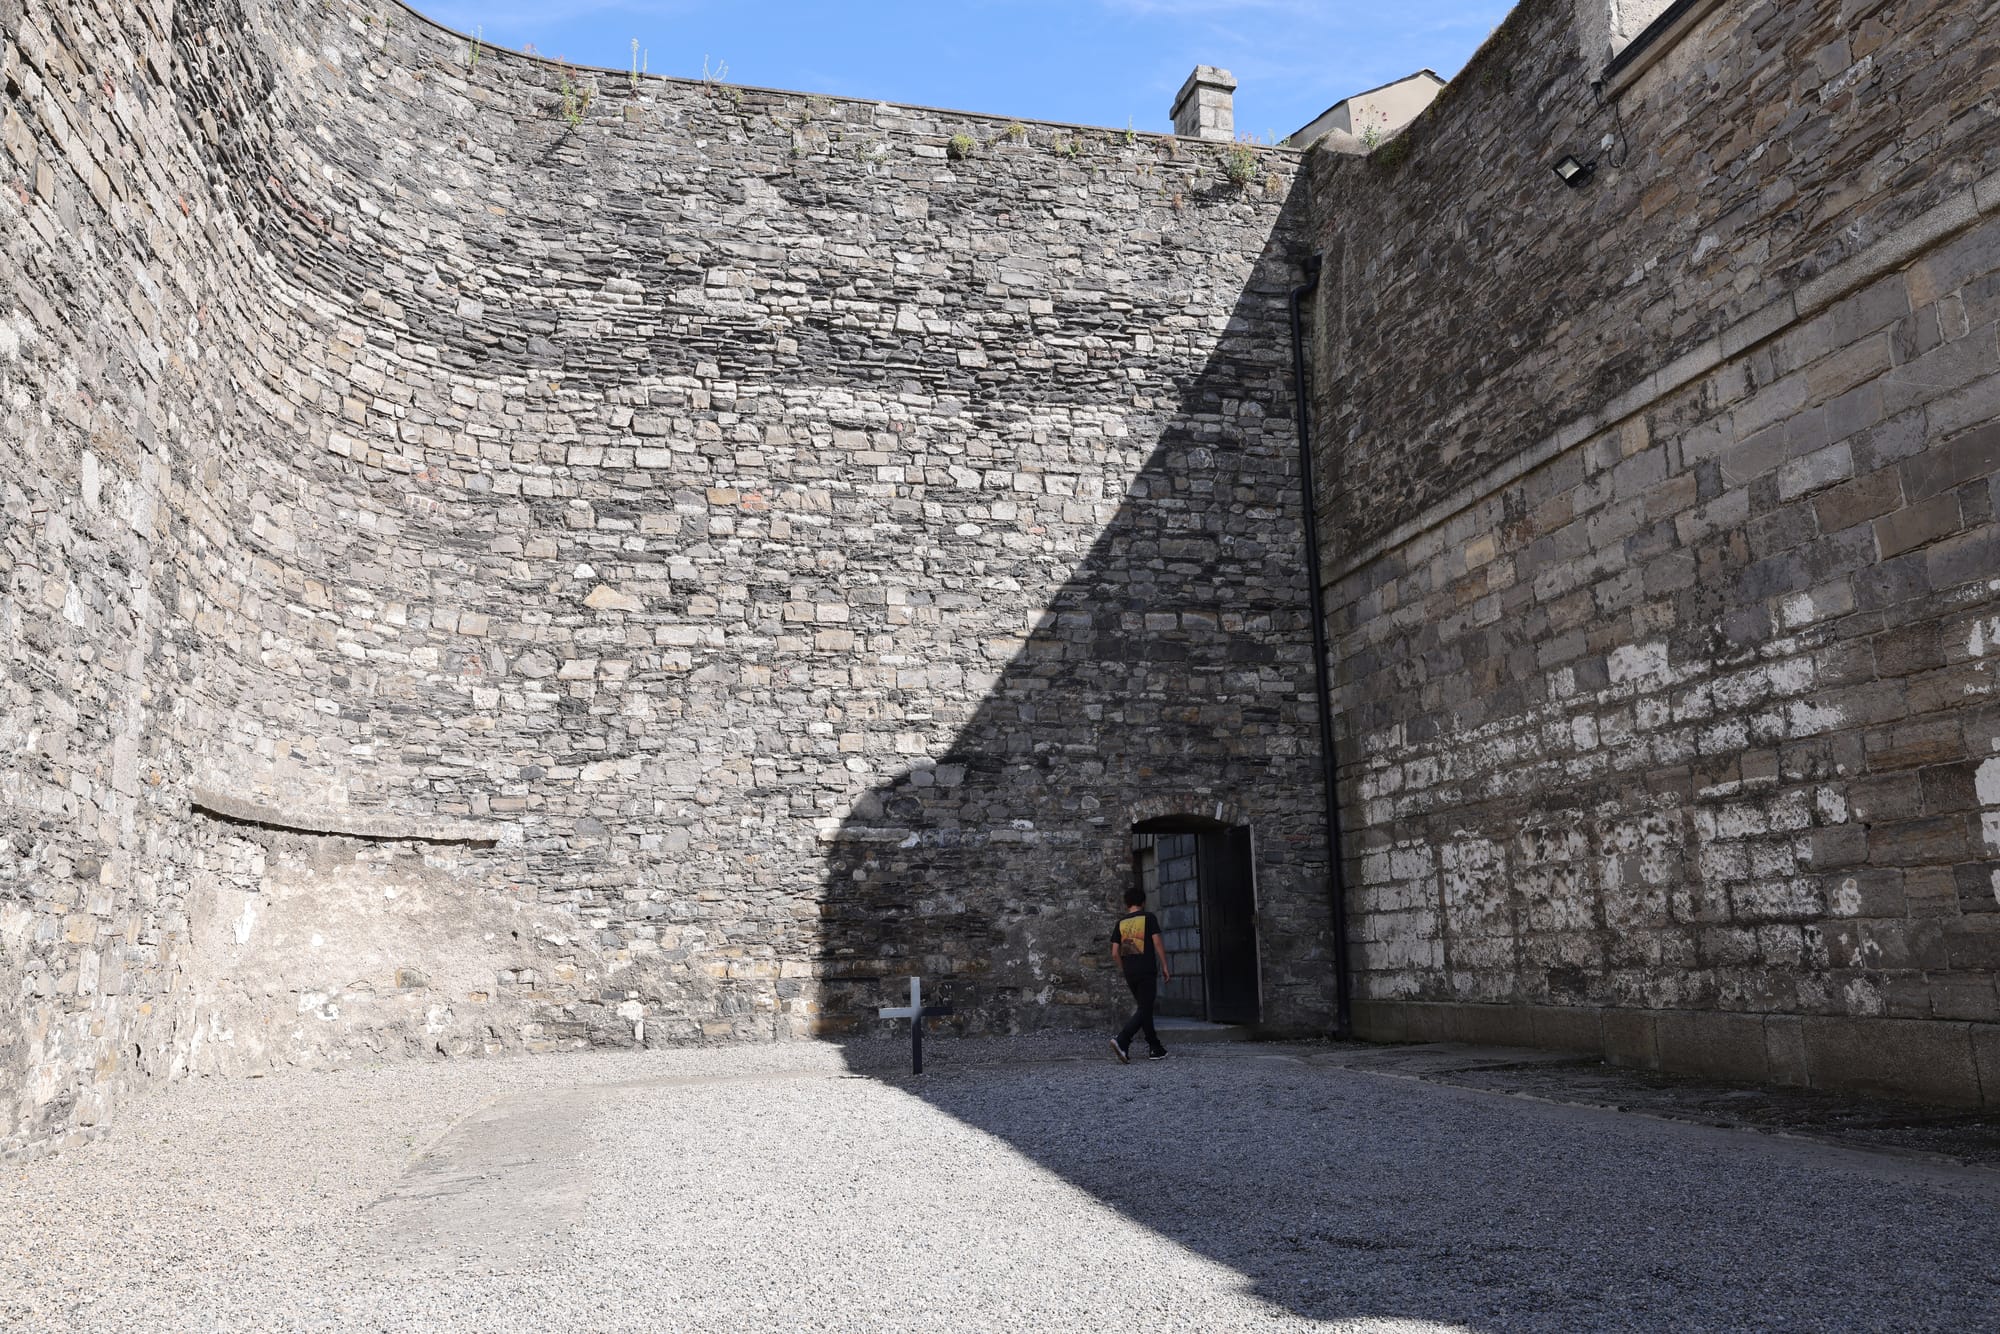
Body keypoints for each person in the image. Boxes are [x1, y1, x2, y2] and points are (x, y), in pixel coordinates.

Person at [1110, 886, 1171, 1062]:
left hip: (1130, 971)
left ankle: (1155, 1047)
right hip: (1146, 969)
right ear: (1143, 902)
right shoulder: (1148, 917)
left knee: (1145, 1008)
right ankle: (1122, 1040)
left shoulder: (1121, 923)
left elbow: (1114, 952)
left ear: (1127, 904)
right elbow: (1157, 942)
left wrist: (1124, 968)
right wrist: (1165, 965)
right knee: (1145, 1008)